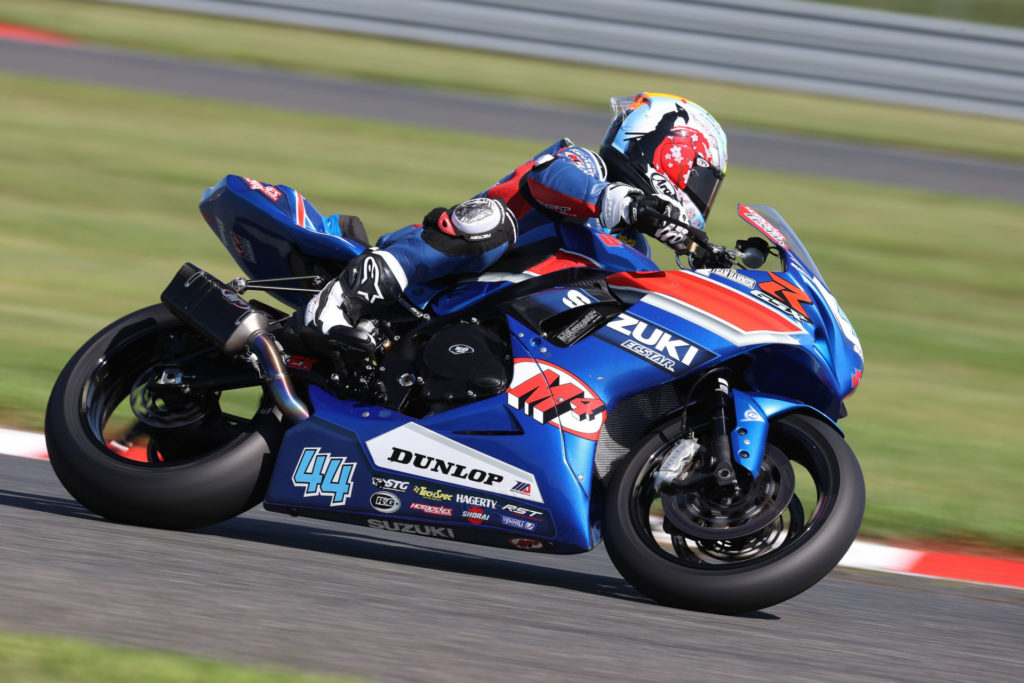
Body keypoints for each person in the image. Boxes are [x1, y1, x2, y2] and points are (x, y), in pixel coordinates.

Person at [305, 92, 728, 348]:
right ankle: (348, 292)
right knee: (491, 222)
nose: (702, 197)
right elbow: (552, 176)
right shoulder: (586, 166)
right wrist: (613, 197)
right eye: (702, 180)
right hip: (436, 285)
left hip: (501, 330)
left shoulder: (634, 248)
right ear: (671, 154)